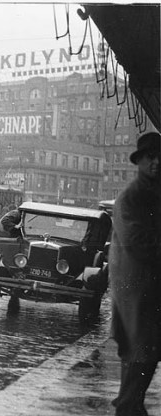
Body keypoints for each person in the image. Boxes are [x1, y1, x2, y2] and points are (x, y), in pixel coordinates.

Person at [110, 131, 161, 416]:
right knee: (141, 348)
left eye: (160, 158)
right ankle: (128, 406)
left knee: (145, 350)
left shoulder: (155, 192)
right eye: (150, 157)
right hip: (134, 285)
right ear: (139, 161)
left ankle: (131, 403)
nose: (156, 163)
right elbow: (135, 242)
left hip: (151, 284)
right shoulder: (130, 197)